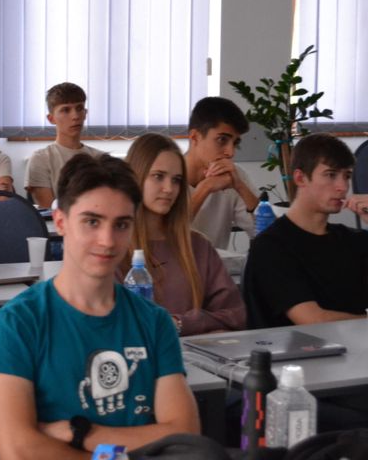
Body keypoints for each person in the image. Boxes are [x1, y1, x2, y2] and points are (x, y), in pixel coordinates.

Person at [0, 153, 200, 458]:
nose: (107, 240)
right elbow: (17, 451)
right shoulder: (17, 322)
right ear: (60, 222)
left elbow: (185, 436)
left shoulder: (155, 322)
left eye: (121, 224)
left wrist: (82, 434)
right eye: (92, 222)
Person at [122, 133, 246, 335]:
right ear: (136, 177)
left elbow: (235, 315)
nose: (169, 189)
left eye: (177, 180)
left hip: (195, 352)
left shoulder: (198, 245)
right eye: (158, 176)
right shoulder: (114, 246)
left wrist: (179, 323)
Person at [244, 132, 368, 329]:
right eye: (331, 175)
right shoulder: (271, 246)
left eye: (347, 176)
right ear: (300, 178)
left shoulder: (354, 241)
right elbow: (312, 321)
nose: (343, 186)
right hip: (299, 348)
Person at [184, 97, 257, 249]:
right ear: (194, 137)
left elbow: (267, 234)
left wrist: (240, 186)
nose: (230, 152)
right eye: (222, 140)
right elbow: (167, 236)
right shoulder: (167, 177)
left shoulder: (234, 175)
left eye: (235, 143)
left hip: (215, 264)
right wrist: (205, 188)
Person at [25, 82, 104, 208]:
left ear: (85, 113)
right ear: (51, 119)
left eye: (79, 108)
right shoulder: (41, 159)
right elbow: (49, 210)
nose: (75, 116)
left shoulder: (100, 158)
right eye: (66, 110)